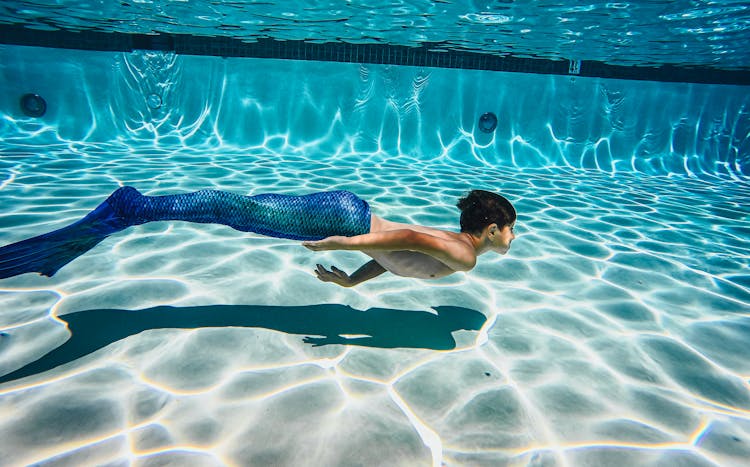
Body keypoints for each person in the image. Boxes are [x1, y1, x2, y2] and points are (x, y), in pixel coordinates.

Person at [0, 187, 516, 286]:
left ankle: (138, 208)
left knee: (246, 213)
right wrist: (342, 243)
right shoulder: (464, 257)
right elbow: (402, 236)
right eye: (511, 229)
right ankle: (135, 208)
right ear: (491, 229)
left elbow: (398, 254)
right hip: (350, 222)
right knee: (243, 213)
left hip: (351, 214)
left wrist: (353, 282)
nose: (513, 239)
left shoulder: (456, 246)